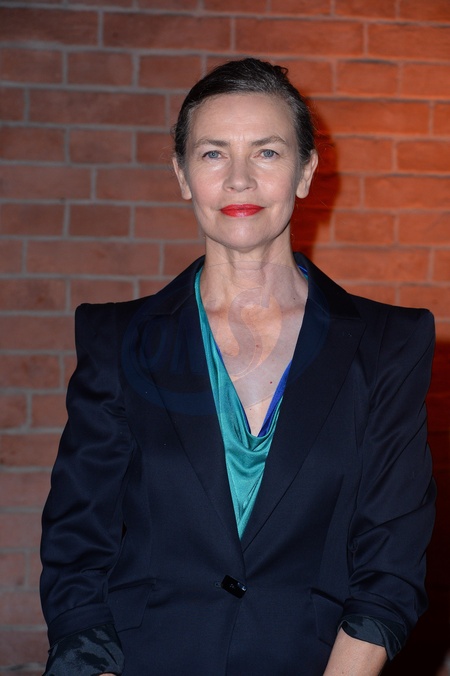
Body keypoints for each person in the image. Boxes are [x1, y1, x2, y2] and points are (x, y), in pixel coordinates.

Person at [40, 58, 436, 675]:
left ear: (306, 172)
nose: (240, 180)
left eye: (267, 153)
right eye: (213, 154)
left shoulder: (390, 344)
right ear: (182, 175)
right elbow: (77, 545)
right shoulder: (116, 340)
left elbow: (392, 562)